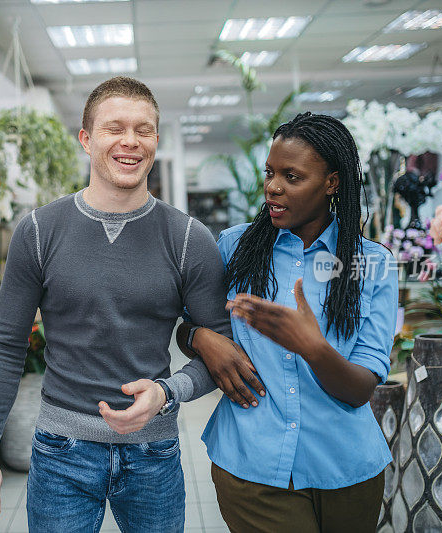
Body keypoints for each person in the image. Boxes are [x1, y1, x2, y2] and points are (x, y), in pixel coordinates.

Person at [0, 76, 262, 533]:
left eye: (144, 130)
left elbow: (221, 351)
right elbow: (5, 346)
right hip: (60, 453)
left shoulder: (187, 238)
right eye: (114, 128)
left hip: (153, 454)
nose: (130, 141)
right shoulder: (39, 231)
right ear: (86, 139)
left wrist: (167, 393)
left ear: (157, 141)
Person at [104, 112, 397, 533]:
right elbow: (183, 325)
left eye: (292, 177)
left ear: (332, 183)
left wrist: (311, 347)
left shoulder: (371, 263)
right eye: (270, 172)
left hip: (347, 469)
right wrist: (202, 337)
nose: (273, 186)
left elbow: (361, 389)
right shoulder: (235, 248)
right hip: (252, 466)